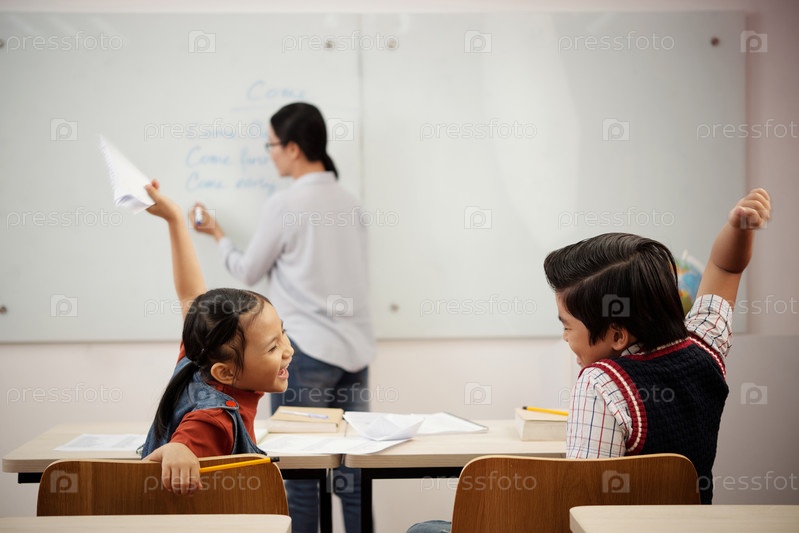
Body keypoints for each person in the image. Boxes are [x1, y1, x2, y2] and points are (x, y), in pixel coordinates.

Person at [407, 188, 771, 531]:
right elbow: (726, 269)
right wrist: (738, 228)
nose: (565, 337)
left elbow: (582, 506)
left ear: (616, 335)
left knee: (424, 529)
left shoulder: (602, 384)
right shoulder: (706, 346)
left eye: (567, 326)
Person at [193, 102, 376, 532]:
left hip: (307, 354)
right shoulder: (350, 202)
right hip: (355, 352)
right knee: (354, 476)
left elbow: (247, 272)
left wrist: (218, 235)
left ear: (293, 148)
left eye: (272, 145)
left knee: (301, 476)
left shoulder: (285, 203)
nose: (270, 154)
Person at [139, 179, 294, 496]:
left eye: (283, 335)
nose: (288, 351)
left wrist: (174, 218)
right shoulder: (212, 420)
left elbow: (190, 294)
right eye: (272, 347)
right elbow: (180, 446)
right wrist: (178, 449)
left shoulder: (199, 356)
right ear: (225, 371)